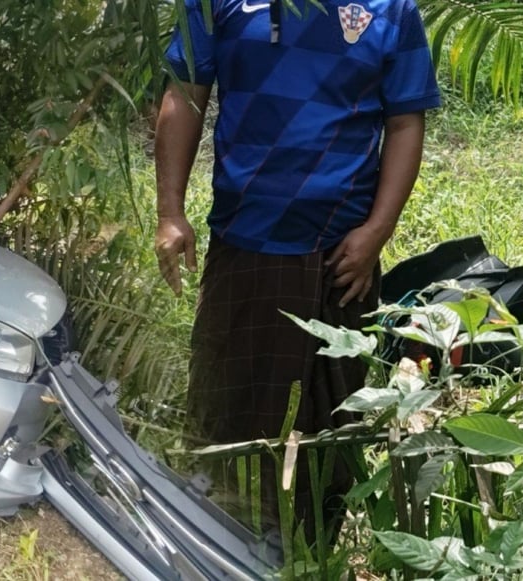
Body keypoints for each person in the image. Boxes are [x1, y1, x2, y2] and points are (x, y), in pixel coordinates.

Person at [154, 0, 441, 540]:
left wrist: (378, 232)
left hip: (342, 255)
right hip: (246, 238)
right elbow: (184, 93)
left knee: (333, 420)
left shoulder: (391, 9)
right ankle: (208, 539)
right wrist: (170, 212)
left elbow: (404, 120)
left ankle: (313, 548)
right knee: (224, 409)